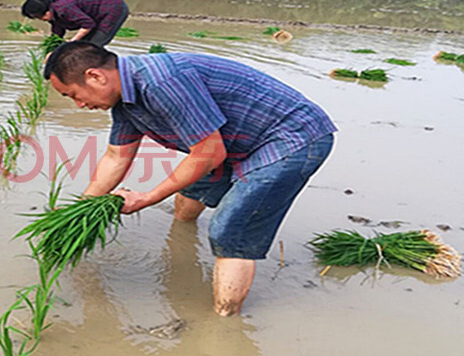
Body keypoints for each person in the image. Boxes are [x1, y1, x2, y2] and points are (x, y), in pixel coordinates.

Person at [43, 41, 336, 316]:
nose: (78, 105)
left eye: (72, 95)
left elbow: (208, 153)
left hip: (291, 137)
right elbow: (117, 157)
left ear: (95, 76)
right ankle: (181, 247)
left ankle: (224, 324)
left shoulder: (162, 82)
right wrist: (80, 208)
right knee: (187, 197)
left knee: (228, 231)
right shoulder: (125, 101)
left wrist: (147, 198)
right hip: (234, 140)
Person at [21, 0, 129, 47]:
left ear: (47, 10)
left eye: (40, 16)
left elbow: (88, 24)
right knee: (82, 45)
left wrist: (72, 41)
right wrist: (52, 49)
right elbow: (57, 33)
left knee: (93, 45)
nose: (41, 20)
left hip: (114, 8)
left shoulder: (63, 9)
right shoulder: (54, 16)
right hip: (97, 15)